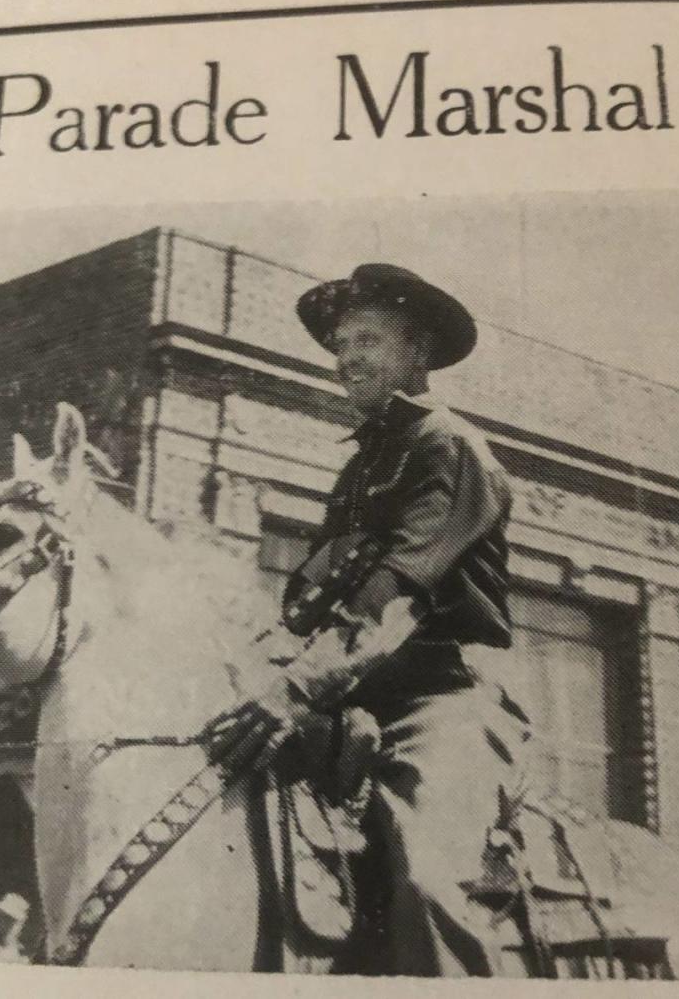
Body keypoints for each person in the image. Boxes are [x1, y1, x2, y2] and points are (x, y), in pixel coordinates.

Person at [211, 263, 528, 975]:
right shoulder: (358, 468)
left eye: (367, 339)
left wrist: (294, 688)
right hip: (346, 696)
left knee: (425, 878)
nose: (346, 356)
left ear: (417, 352)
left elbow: (394, 603)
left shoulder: (449, 446)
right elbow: (316, 603)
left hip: (439, 699)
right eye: (339, 343)